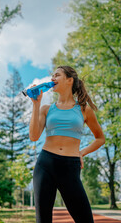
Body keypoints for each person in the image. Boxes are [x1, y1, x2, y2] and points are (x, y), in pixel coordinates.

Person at [29, 65, 105, 223]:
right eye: (52, 76)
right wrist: (36, 104)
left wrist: (81, 152)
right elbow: (34, 136)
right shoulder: (45, 109)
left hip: (70, 166)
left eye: (57, 75)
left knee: (85, 219)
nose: (52, 78)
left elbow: (100, 138)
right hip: (45, 165)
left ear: (69, 80)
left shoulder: (84, 109)